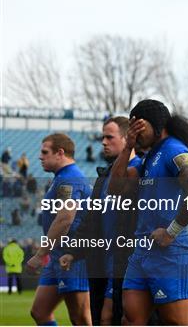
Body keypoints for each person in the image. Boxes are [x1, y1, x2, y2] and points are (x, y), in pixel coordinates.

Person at [108, 99, 188, 325]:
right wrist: (127, 147)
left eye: (139, 126)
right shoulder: (149, 158)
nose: (135, 131)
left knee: (177, 322)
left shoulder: (173, 149)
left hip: (170, 252)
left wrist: (171, 232)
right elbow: (114, 189)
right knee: (131, 319)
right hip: (142, 251)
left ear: (156, 125)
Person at [59, 117, 141, 325]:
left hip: (127, 265)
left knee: (112, 318)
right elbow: (90, 219)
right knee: (101, 319)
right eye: (102, 137)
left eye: (109, 137)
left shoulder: (141, 171)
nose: (103, 142)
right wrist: (73, 251)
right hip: (101, 266)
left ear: (126, 139)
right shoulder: (103, 178)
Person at [27, 133, 92, 325]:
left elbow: (65, 218)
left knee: (80, 317)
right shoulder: (60, 178)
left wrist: (40, 254)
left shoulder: (70, 179)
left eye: (45, 152)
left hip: (72, 256)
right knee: (40, 312)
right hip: (57, 255)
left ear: (60, 153)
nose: (40, 156)